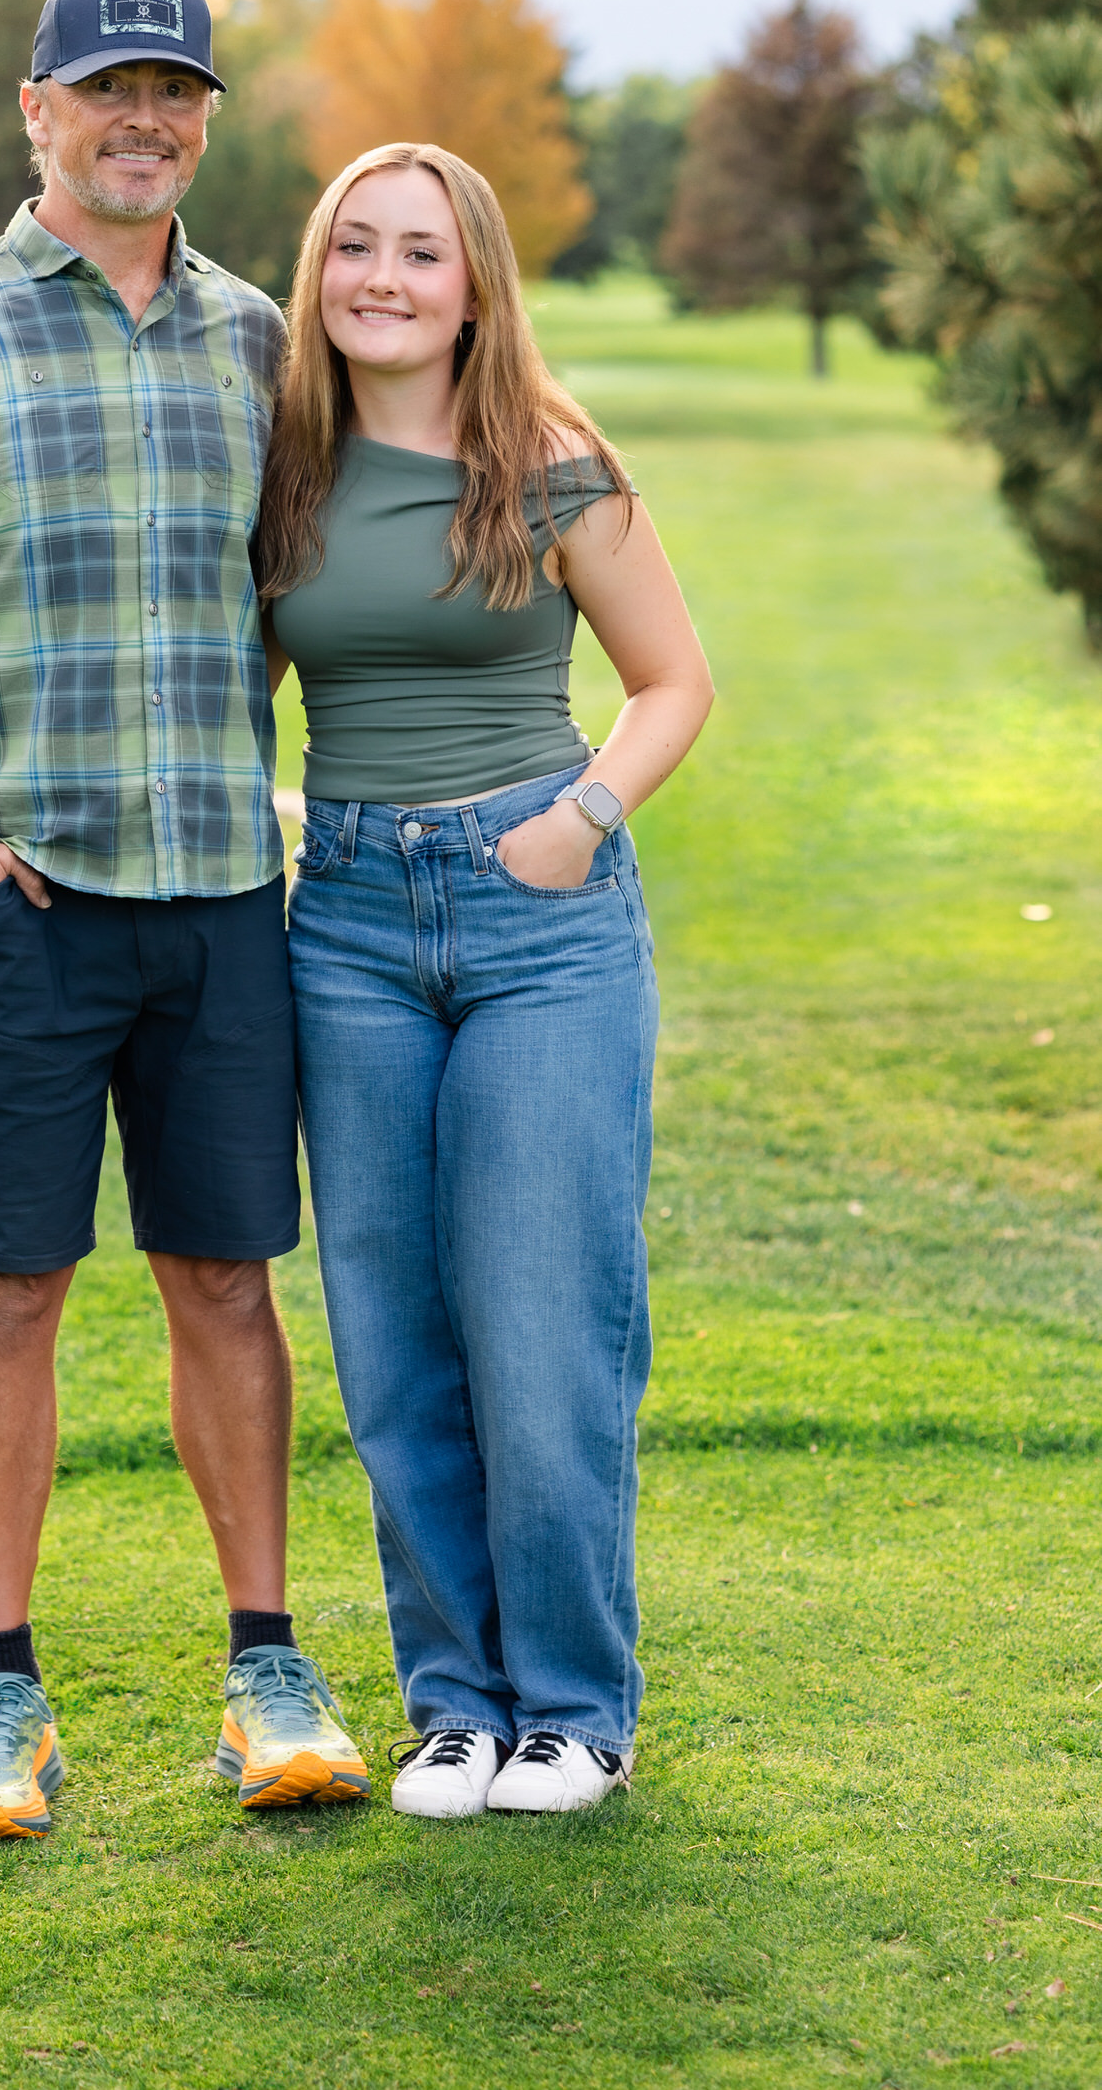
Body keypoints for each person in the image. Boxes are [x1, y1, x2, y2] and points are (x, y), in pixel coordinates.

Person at [0, 0, 367, 1843]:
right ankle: (0, 1696)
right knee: (12, 1288)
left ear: (206, 118)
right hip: (15, 911)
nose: (144, 121)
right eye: (105, 89)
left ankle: (266, 1669)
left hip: (219, 904)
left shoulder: (269, 346)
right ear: (34, 108)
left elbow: (323, 601)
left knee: (225, 1275)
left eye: (174, 92)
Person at [257, 142, 713, 1818]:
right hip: (353, 925)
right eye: (354, 247)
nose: (382, 277)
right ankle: (455, 1701)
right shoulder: (285, 465)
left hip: (542, 917)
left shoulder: (548, 461)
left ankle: (577, 1709)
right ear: (320, 272)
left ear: (474, 285)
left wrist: (580, 820)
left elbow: (672, 682)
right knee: (392, 1329)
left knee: (541, 1321)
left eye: (420, 254)